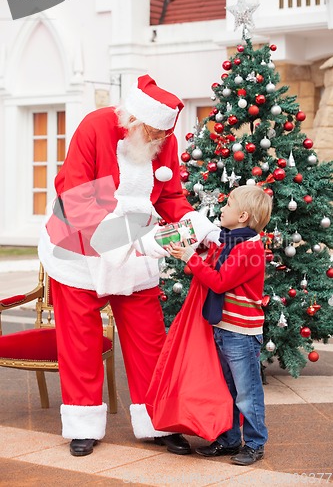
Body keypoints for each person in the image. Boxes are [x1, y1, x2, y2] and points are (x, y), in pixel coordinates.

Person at [38, 74, 219, 457]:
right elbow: (74, 193)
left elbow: (170, 195)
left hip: (138, 238)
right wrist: (132, 241)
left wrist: (194, 223)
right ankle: (82, 424)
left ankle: (158, 423)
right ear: (134, 119)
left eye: (163, 136)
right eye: (152, 133)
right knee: (80, 341)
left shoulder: (162, 140)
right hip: (78, 242)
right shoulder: (96, 126)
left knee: (149, 338)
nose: (158, 142)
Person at [167, 184, 272, 466]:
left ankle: (254, 442)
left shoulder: (249, 250)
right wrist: (193, 255)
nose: (222, 209)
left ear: (243, 216)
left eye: (228, 205)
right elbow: (210, 269)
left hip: (241, 333)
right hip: (224, 328)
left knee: (247, 391)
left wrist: (192, 258)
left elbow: (219, 280)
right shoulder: (230, 243)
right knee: (226, 389)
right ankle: (228, 440)